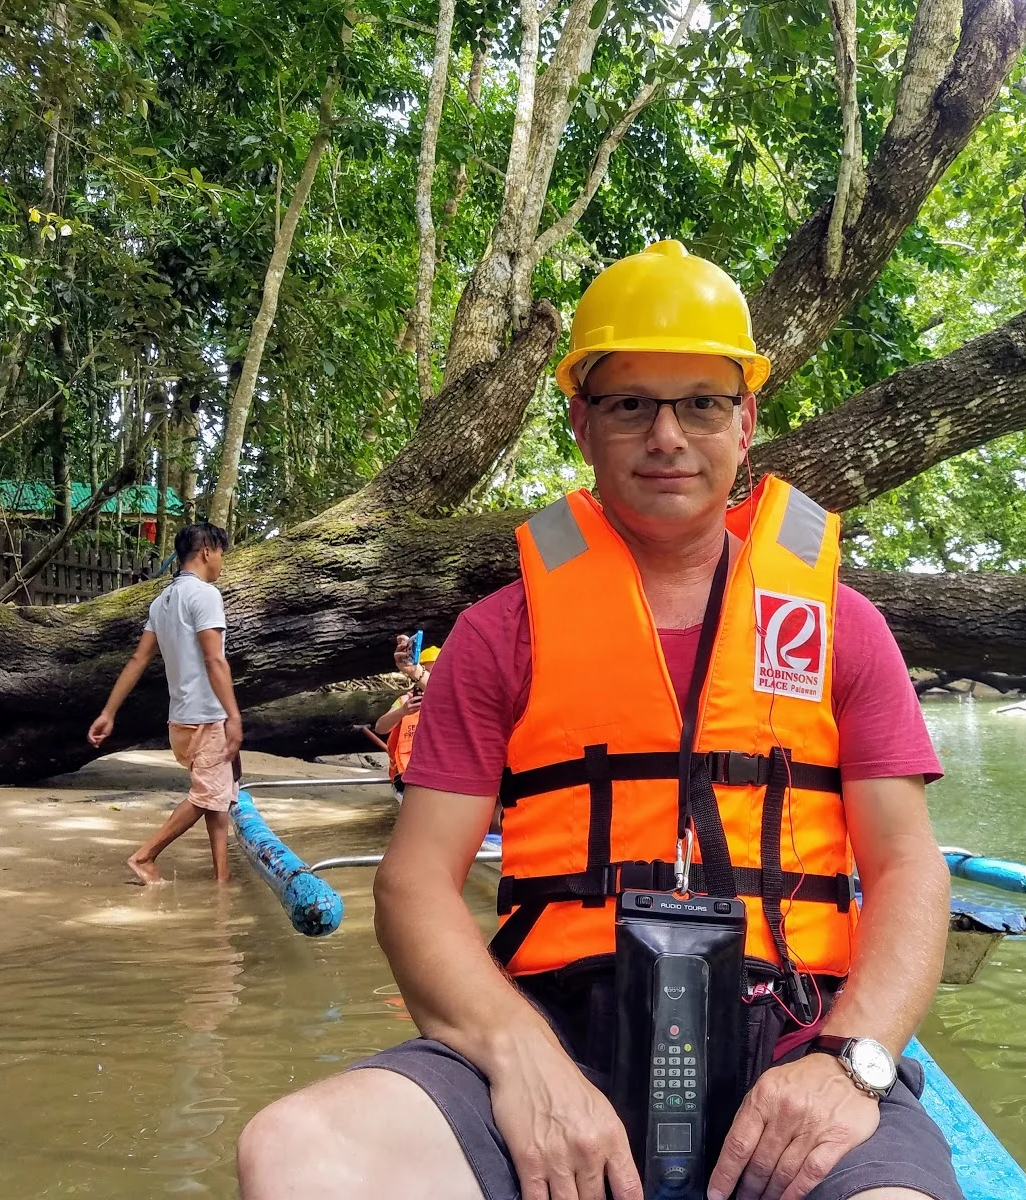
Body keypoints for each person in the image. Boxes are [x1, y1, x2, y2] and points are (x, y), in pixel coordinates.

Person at [238, 240, 958, 1200]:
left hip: (795, 1037)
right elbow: (413, 882)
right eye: (630, 406)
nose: (667, 436)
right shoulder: (499, 635)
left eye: (701, 403)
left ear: (746, 422)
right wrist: (519, 1056)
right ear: (582, 423)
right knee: (295, 1150)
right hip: (555, 1034)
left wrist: (852, 1061)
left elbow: (907, 867)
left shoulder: (843, 628)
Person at [88, 521, 242, 885]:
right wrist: (233, 716)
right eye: (221, 554)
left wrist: (108, 713)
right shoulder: (205, 595)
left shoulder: (163, 601)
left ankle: (222, 877)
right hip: (206, 716)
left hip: (180, 721)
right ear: (207, 551)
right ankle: (145, 856)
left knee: (217, 796)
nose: (221, 562)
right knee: (208, 795)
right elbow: (215, 660)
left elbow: (138, 659)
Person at [374, 639, 440, 791]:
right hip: (405, 776)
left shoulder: (451, 703)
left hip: (438, 774)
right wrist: (402, 711)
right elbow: (380, 727)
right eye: (427, 672)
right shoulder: (405, 700)